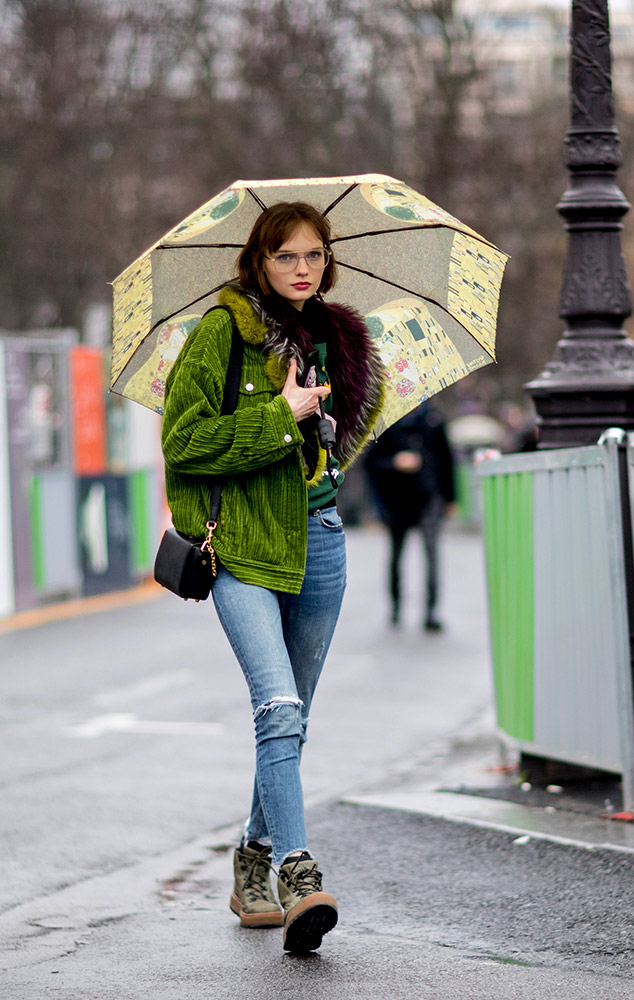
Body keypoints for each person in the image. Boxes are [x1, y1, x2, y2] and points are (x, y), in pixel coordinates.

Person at [160, 202, 384, 954]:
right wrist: (281, 415)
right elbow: (185, 442)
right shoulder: (220, 333)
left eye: (314, 255)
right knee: (277, 704)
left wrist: (324, 433)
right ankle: (296, 871)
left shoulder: (336, 340)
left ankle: (250, 858)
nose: (301, 268)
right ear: (257, 260)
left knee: (291, 720)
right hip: (244, 549)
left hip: (318, 540)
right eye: (285, 255)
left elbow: (339, 443)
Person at [365, 402, 456, 631]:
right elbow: (371, 463)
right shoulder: (386, 421)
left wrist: (450, 498)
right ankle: (395, 606)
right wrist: (395, 462)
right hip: (397, 501)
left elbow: (447, 461)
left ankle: (431, 611)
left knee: (432, 554)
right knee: (396, 554)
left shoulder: (433, 420)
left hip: (429, 497)